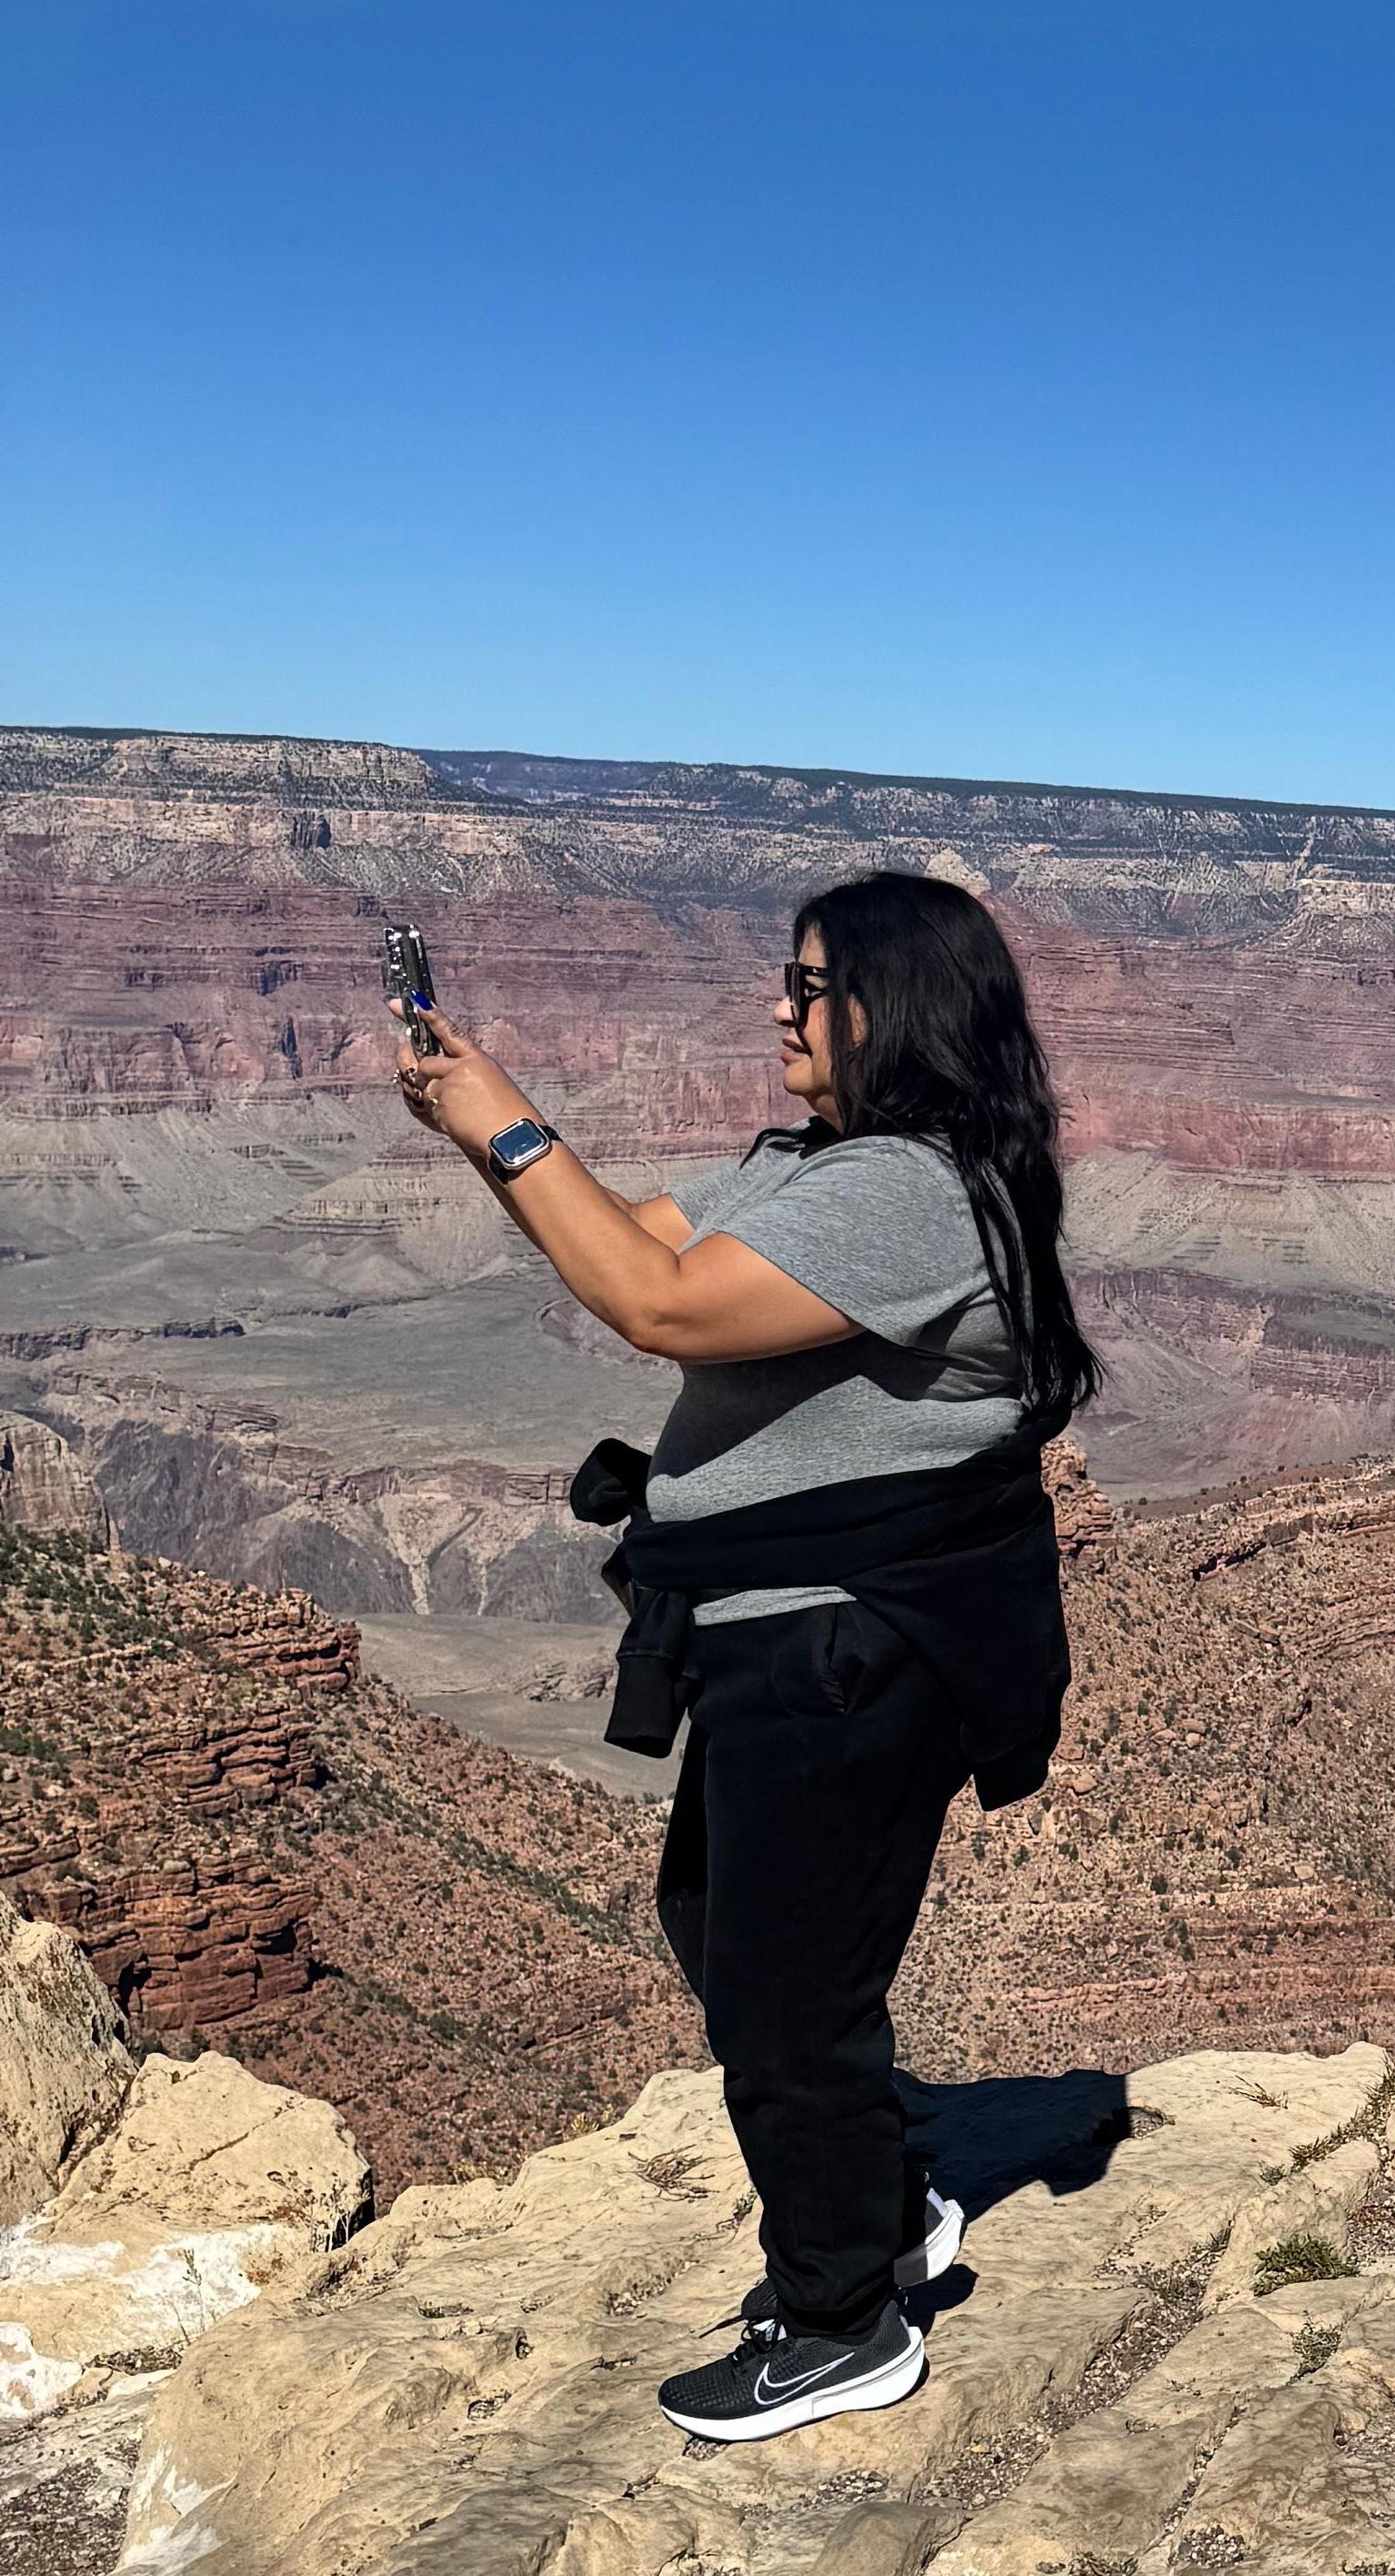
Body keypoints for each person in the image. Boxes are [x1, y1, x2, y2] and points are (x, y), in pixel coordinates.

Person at [393, 871, 1093, 2433]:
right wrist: (486, 1131)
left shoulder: (911, 1192)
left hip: (855, 1648)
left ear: (892, 1010)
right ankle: (882, 2200)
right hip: (784, 1634)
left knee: (789, 1998)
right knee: (722, 1927)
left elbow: (659, 1304)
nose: (779, 1005)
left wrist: (507, 1122)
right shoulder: (818, 1166)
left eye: (808, 984)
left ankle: (845, 2316)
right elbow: (631, 1237)